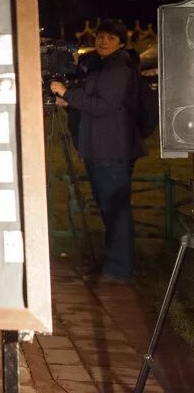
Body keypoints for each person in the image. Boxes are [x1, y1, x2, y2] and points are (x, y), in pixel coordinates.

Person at [50, 19, 144, 284]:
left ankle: (119, 269)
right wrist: (68, 100)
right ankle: (114, 264)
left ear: (121, 43)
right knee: (108, 208)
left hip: (112, 149)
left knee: (116, 209)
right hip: (98, 147)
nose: (103, 41)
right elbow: (89, 103)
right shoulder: (100, 66)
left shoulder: (120, 69)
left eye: (110, 38)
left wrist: (68, 92)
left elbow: (103, 106)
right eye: (101, 36)